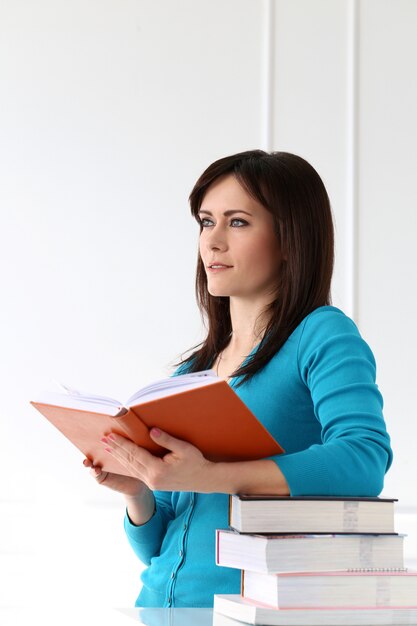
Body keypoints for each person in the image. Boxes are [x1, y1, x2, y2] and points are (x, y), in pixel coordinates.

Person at [83, 149, 393, 608]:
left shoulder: (321, 334)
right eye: (207, 222)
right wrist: (136, 490)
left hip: (252, 614)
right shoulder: (191, 373)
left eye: (238, 222)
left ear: (290, 240)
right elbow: (157, 549)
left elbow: (365, 460)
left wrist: (213, 476)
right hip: (159, 611)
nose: (213, 241)